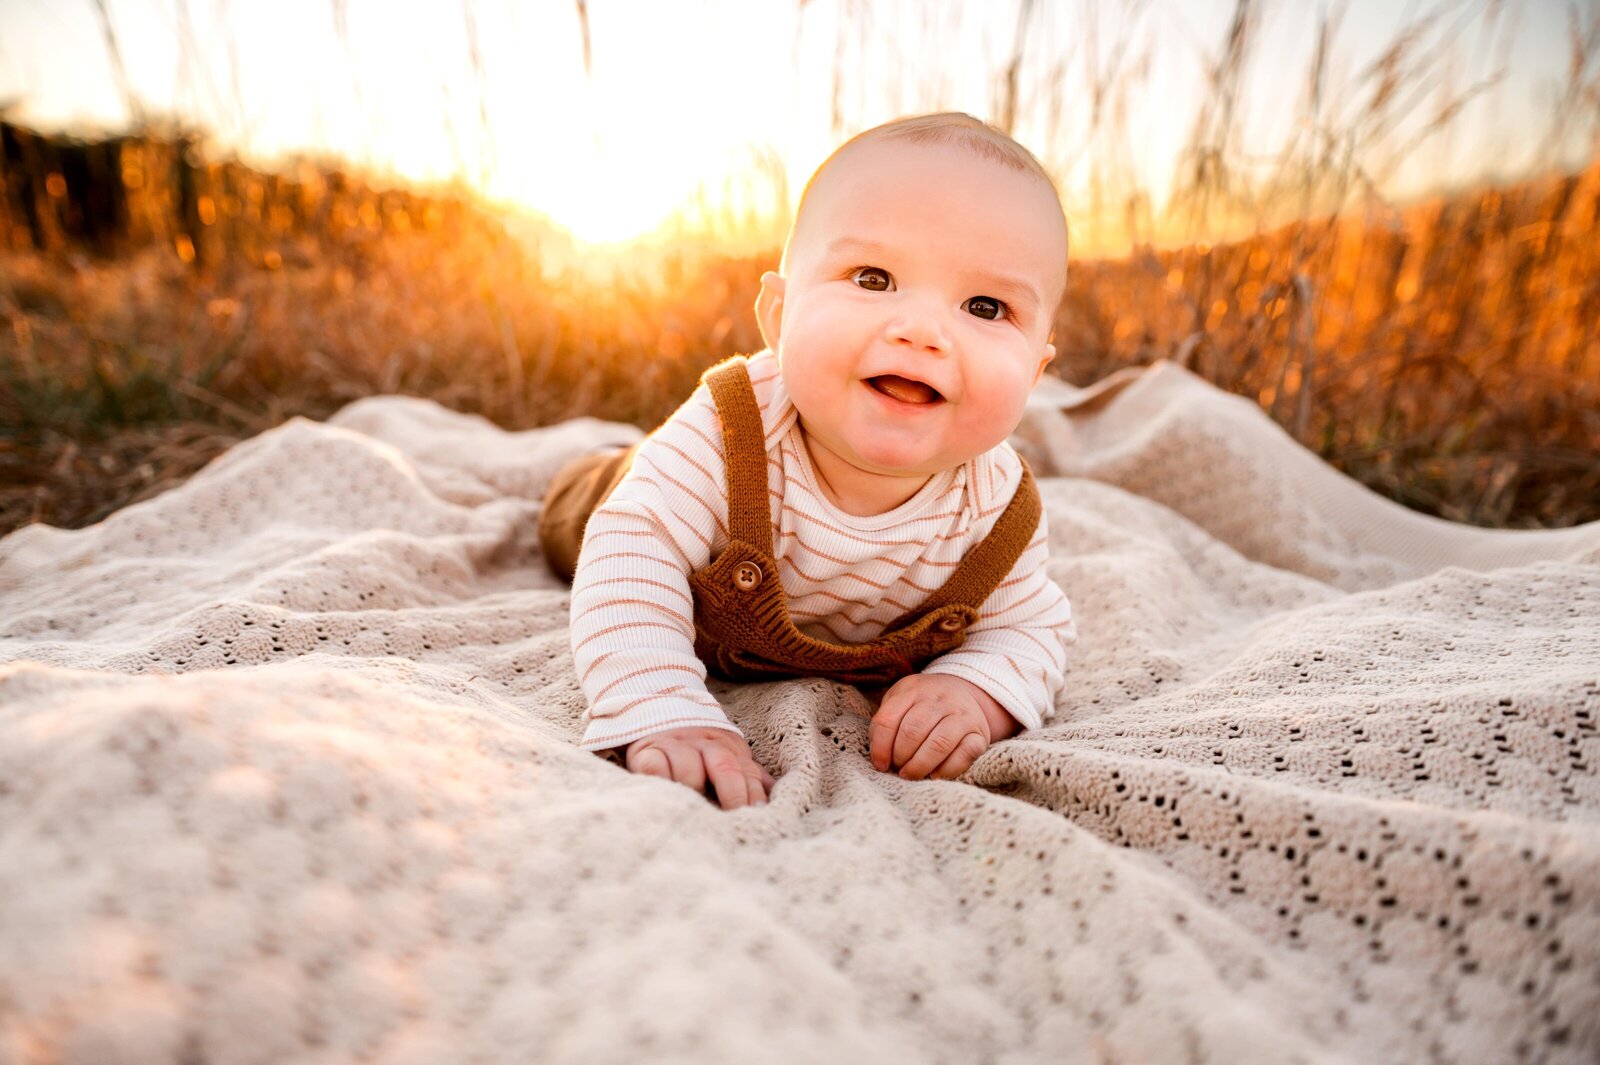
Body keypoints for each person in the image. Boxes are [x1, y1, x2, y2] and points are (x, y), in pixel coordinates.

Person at [539, 112, 1076, 810]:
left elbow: (1031, 629)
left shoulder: (996, 511)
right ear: (778, 315)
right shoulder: (730, 431)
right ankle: (606, 461)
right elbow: (630, 547)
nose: (921, 331)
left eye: (984, 304)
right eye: (874, 278)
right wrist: (662, 706)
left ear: (1035, 374)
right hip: (624, 501)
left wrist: (976, 690)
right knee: (584, 514)